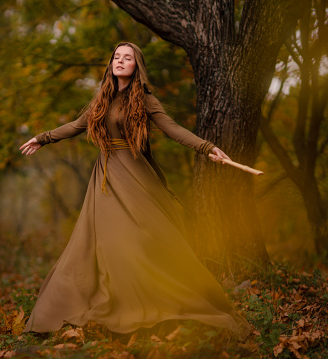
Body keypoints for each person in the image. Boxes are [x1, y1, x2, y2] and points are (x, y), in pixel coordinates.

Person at [19, 42, 250, 339]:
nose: (120, 61)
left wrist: (207, 148)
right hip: (104, 181)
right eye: (116, 56)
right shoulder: (102, 99)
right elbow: (77, 125)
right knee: (94, 246)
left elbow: (172, 129)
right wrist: (43, 138)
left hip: (135, 178)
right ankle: (79, 309)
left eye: (127, 58)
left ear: (136, 66)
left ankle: (159, 304)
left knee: (142, 241)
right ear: (111, 64)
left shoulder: (144, 100)